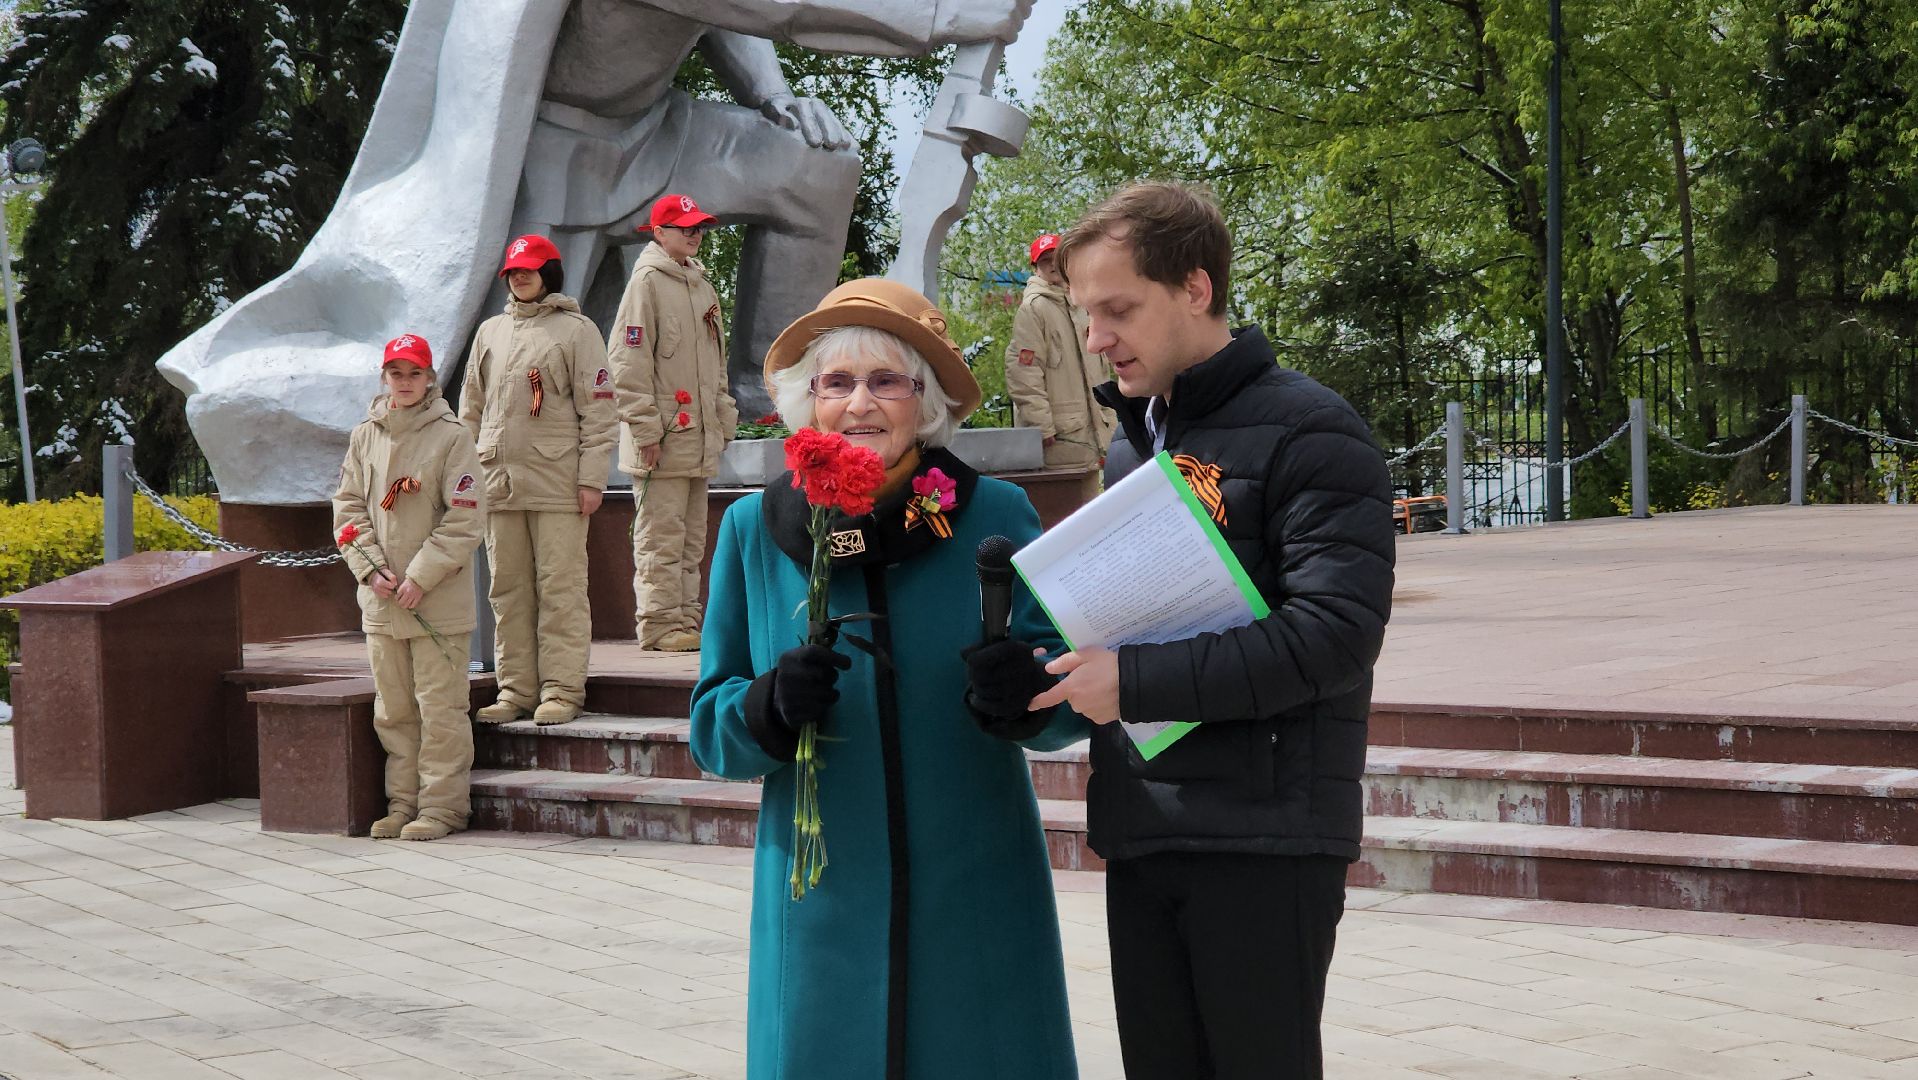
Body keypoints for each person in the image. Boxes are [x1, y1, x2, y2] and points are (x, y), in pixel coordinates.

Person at [1031, 183, 1396, 1079]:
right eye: (1086, 313)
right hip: (1146, 826)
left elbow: (1334, 637)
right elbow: (1123, 632)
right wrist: (1038, 679)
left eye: (1118, 309)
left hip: (1266, 838)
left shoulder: (1315, 430)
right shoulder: (1132, 446)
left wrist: (1135, 683)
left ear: (1195, 289)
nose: (1096, 338)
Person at [689, 279, 1084, 1080]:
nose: (859, 403)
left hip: (975, 890)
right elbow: (711, 730)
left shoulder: (995, 512)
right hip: (821, 898)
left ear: (924, 400)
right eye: (836, 382)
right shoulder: (751, 530)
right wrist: (765, 708)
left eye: (886, 381)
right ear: (809, 401)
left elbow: (1069, 698)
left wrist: (1028, 695)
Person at [334, 334, 487, 842]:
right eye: (395, 373)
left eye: (413, 373)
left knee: (440, 709)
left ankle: (442, 808)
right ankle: (402, 804)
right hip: (382, 602)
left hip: (436, 602)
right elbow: (348, 511)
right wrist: (371, 571)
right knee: (394, 711)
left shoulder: (452, 436)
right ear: (385, 378)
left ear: (429, 379)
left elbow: (464, 519)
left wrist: (419, 576)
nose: (404, 382)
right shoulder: (366, 435)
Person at [460, 234, 617, 727]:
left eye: (529, 268)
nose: (519, 276)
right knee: (506, 592)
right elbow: (470, 411)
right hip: (497, 483)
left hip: (559, 484)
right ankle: (515, 690)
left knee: (560, 590)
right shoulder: (489, 333)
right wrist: (463, 480)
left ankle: (561, 691)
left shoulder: (577, 330)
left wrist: (592, 478)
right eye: (513, 270)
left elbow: (599, 411)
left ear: (550, 271)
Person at [609, 194, 739, 652]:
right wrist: (645, 432)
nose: (694, 233)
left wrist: (722, 423)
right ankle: (660, 624)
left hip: (696, 439)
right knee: (659, 539)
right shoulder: (646, 282)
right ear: (658, 232)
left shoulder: (701, 286)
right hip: (661, 440)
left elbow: (717, 365)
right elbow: (626, 364)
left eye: (699, 226)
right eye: (684, 226)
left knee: (689, 540)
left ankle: (684, 620)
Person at [1005, 231, 1116, 489]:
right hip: (1061, 438)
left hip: (1097, 428)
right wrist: (1041, 427)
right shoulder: (1034, 309)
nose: (1053, 265)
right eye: (1045, 261)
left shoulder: (1083, 302)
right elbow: (1023, 372)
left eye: (1057, 258)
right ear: (1035, 268)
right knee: (1069, 506)